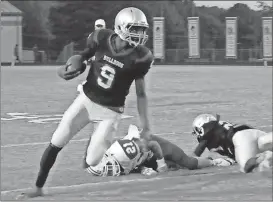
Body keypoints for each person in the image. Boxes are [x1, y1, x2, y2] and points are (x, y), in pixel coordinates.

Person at [17, 7, 153, 199]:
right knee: (56, 141)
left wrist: (145, 126)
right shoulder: (101, 38)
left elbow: (141, 93)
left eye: (141, 30)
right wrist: (66, 68)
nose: (140, 34)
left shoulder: (140, 57)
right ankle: (38, 187)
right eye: (135, 29)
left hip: (110, 112)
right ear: (121, 26)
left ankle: (135, 153)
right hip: (86, 100)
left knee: (92, 161)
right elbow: (83, 56)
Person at [191, 114, 272, 173]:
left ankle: (265, 156)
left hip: (240, 137)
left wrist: (190, 161)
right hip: (253, 133)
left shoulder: (208, 131)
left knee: (246, 168)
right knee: (264, 144)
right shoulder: (220, 128)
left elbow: (194, 158)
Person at [86, 125, 167, 177]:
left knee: (171, 164)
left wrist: (161, 165)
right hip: (136, 155)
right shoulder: (116, 152)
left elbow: (153, 144)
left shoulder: (141, 148)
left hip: (159, 151)